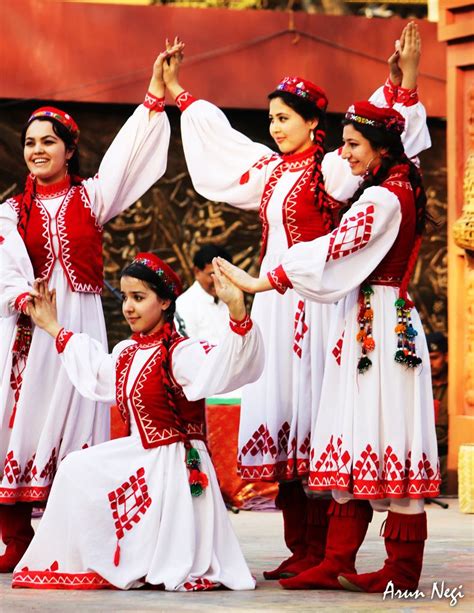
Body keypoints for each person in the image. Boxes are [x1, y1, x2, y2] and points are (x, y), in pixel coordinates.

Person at [163, 24, 431, 580]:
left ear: (314, 123)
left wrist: (399, 82)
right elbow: (221, 151)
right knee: (281, 411)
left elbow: (381, 133)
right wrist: (178, 96)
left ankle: (326, 552)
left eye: (285, 117)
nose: (275, 127)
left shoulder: (333, 169)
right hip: (275, 305)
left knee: (319, 416)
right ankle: (302, 547)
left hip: (317, 304)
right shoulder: (266, 171)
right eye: (271, 119)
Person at [216, 98, 439, 593]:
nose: (347, 154)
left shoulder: (384, 198)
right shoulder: (390, 187)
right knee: (355, 434)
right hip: (366, 323)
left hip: (381, 328)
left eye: (355, 146)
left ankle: (400, 571)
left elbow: (336, 248)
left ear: (381, 148)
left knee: (384, 435)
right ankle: (337, 559)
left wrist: (266, 279)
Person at [0, 47, 180, 572]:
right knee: (22, 423)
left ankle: (77, 534)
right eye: (30, 142)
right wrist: (22, 300)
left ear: (68, 150)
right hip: (30, 331)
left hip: (78, 322)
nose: (37, 150)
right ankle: (15, 537)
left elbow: (127, 159)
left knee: (81, 416)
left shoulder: (92, 198)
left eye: (48, 142)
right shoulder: (11, 212)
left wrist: (153, 97)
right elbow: (4, 263)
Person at [11, 253, 264, 591]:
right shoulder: (129, 351)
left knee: (80, 470)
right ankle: (107, 555)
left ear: (164, 301)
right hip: (144, 454)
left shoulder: (180, 352)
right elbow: (95, 369)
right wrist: (52, 326)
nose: (128, 307)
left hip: (175, 462)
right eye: (126, 297)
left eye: (139, 298)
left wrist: (237, 312)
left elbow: (226, 366)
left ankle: (143, 555)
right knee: (75, 468)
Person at [176, 245, 233, 342]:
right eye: (212, 274)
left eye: (223, 274)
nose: (218, 280)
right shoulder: (184, 305)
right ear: (197, 272)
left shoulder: (232, 298)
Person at [426, 332, 449, 495]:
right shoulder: (419, 384)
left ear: (446, 356)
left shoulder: (457, 384)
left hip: (447, 454)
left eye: (434, 357)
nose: (430, 363)